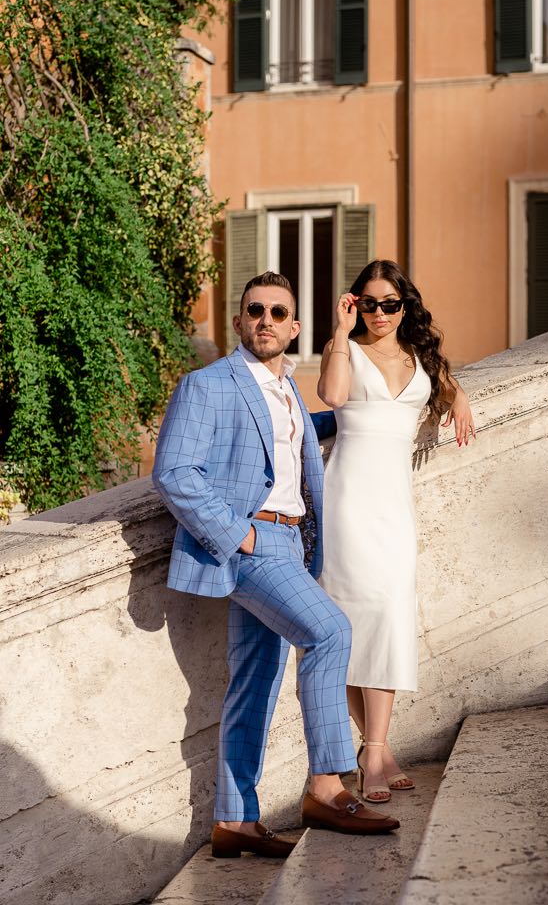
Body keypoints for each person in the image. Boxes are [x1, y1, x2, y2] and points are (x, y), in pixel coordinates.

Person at [153, 271, 400, 859]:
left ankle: (235, 821)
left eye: (277, 313)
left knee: (254, 684)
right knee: (330, 630)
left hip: (293, 543)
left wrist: (366, 417)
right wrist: (237, 534)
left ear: (293, 328)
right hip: (252, 544)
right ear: (239, 322)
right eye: (254, 311)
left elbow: (285, 444)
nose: (265, 320)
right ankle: (327, 784)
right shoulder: (207, 384)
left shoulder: (286, 389)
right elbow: (173, 472)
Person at [317, 260, 475, 802]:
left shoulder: (420, 356)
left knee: (388, 614)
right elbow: (333, 397)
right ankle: (377, 752)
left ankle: (374, 750)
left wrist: (460, 396)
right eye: (369, 303)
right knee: (352, 624)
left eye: (390, 304)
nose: (380, 313)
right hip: (347, 504)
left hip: (393, 507)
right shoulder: (347, 350)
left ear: (405, 307)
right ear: (353, 303)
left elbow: (446, 384)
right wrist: (339, 332)